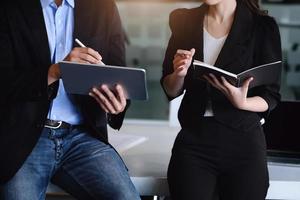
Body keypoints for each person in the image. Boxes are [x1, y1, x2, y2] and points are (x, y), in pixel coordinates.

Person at [0, 0, 141, 199]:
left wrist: (118, 106)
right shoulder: (9, 7)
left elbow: (116, 72)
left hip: (83, 138)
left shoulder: (103, 7)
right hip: (24, 139)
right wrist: (55, 71)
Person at [161, 0, 282, 199]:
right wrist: (179, 74)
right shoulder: (184, 20)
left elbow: (271, 96)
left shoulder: (262, 26)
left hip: (244, 140)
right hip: (195, 140)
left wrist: (242, 102)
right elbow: (170, 89)